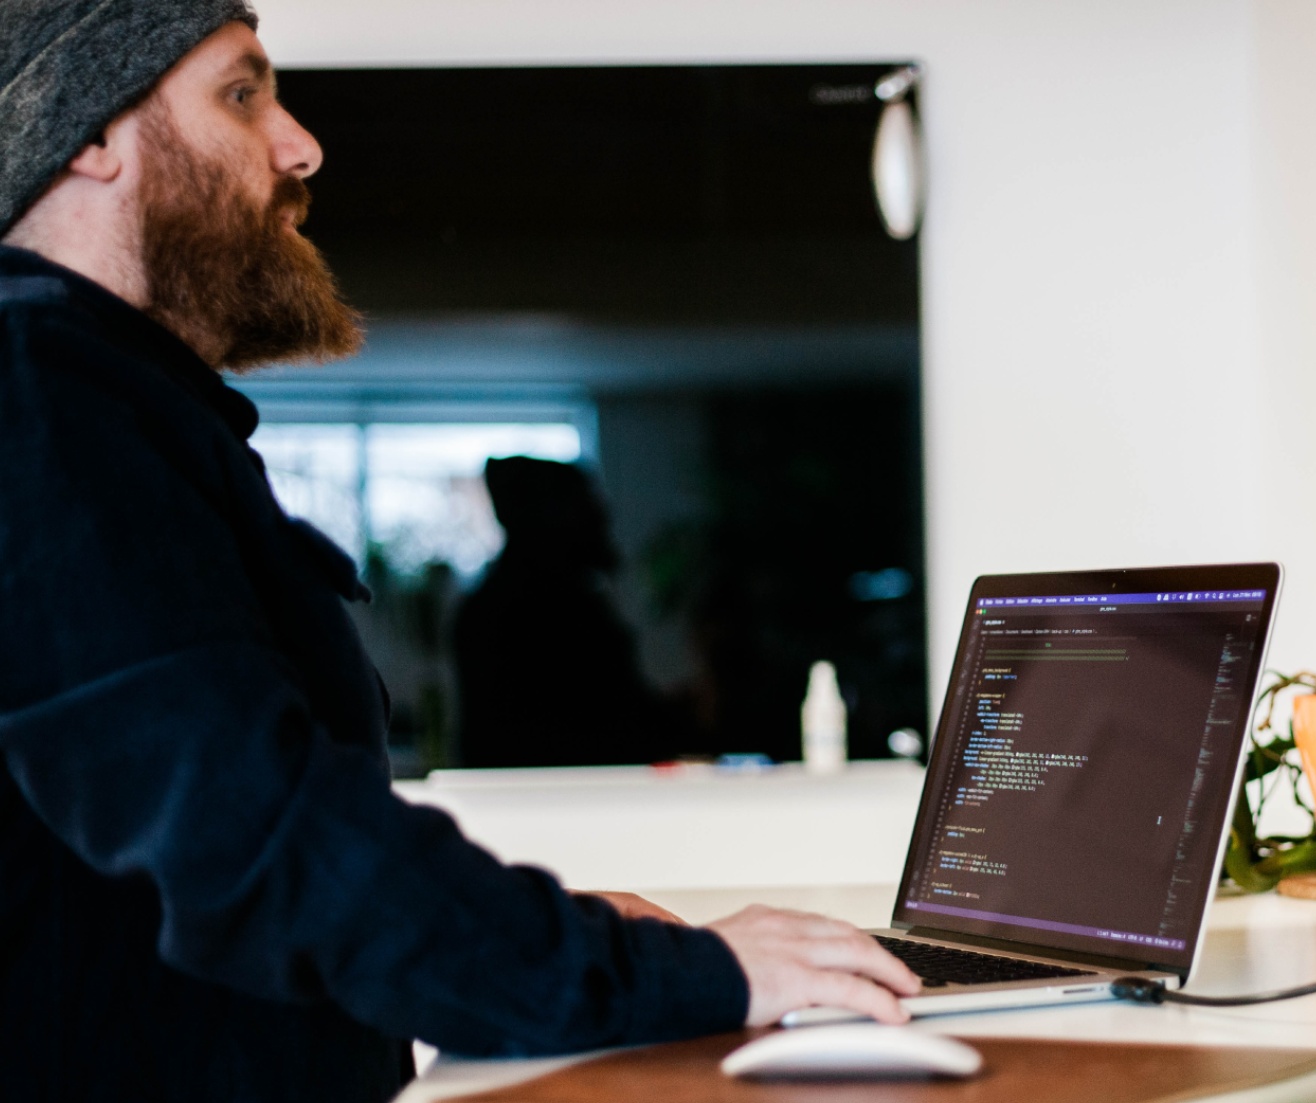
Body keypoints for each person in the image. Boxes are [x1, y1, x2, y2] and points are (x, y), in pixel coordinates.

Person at [0, 3, 920, 1102]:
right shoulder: (41, 398)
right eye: (241, 95)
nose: (300, 145)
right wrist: (683, 972)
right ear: (87, 135)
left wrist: (561, 939)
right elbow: (258, 836)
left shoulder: (106, 405)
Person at [455, 456, 694, 767]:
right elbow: (607, 729)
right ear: (549, 514)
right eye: (585, 503)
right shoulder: (555, 613)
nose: (604, 515)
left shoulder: (489, 607)